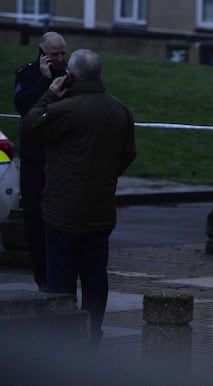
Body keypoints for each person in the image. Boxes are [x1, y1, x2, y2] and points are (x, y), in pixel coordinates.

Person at [22, 49, 137, 348]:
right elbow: (128, 154)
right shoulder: (121, 111)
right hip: (100, 208)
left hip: (63, 210)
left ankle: (64, 338)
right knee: (95, 275)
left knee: (61, 277)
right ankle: (92, 332)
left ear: (70, 76)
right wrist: (107, 177)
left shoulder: (64, 109)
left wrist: (49, 94)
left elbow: (31, 125)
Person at [13, 31, 68, 291]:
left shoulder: (70, 75)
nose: (59, 59)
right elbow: (22, 106)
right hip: (35, 155)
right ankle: (41, 275)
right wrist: (44, 82)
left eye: (62, 53)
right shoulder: (28, 74)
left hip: (59, 154)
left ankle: (57, 273)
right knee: (34, 216)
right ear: (42, 52)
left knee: (58, 214)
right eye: (54, 54)